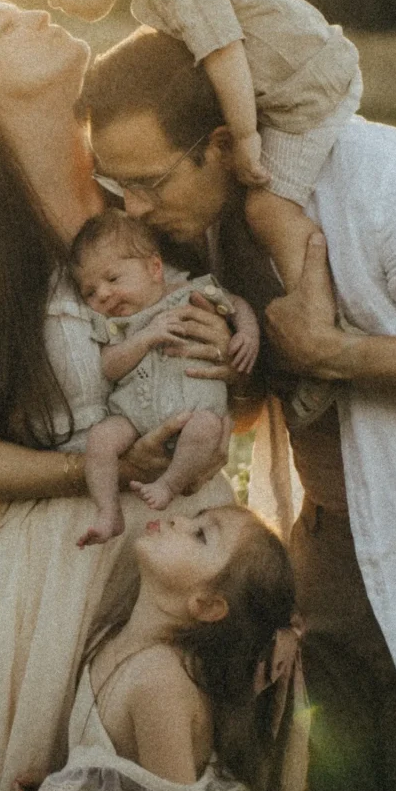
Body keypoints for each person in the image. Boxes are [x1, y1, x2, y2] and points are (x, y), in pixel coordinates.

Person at [78, 26, 396, 791]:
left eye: (149, 181)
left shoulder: (386, 183)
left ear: (216, 143)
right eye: (116, 190)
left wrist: (336, 353)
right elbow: (262, 409)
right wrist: (221, 381)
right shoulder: (204, 223)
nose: (133, 209)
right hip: (328, 568)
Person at [0, 0, 237, 791]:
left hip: (188, 548)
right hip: (66, 565)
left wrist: (223, 359)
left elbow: (218, 403)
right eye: (8, 28)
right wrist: (86, 471)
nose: (39, 15)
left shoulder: (140, 205)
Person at [0, 0, 361, 306]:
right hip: (295, 77)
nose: (54, 2)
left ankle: (315, 319)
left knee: (268, 208)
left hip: (304, 88)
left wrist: (246, 137)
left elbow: (223, 52)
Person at [29, 507, 307, 791]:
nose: (179, 520)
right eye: (195, 518)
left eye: (200, 535)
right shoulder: (110, 635)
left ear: (208, 605)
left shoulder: (159, 683)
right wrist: (69, 782)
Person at [69, 211, 260, 543]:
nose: (102, 295)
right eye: (90, 292)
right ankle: (108, 511)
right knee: (100, 440)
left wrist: (247, 334)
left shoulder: (191, 292)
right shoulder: (116, 325)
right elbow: (109, 367)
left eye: (112, 279)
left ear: (154, 268)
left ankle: (169, 484)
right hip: (135, 414)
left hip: (193, 411)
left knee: (207, 428)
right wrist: (145, 337)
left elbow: (238, 303)